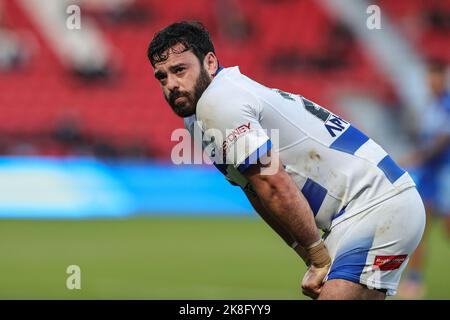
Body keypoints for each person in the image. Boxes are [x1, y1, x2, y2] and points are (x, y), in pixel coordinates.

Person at [147, 21, 426, 300]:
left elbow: (273, 182)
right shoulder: (196, 119)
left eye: (179, 70)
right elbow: (255, 190)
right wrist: (309, 255)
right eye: (162, 77)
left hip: (376, 205)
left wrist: (318, 258)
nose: (171, 84)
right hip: (362, 212)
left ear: (209, 62)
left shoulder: (218, 100)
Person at [398, 59, 450, 299]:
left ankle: (414, 282)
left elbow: (442, 140)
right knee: (420, 226)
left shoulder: (447, 104)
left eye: (435, 76)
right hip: (430, 175)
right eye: (428, 77)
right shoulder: (432, 105)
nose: (431, 81)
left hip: (444, 173)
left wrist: (416, 157)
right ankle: (414, 282)